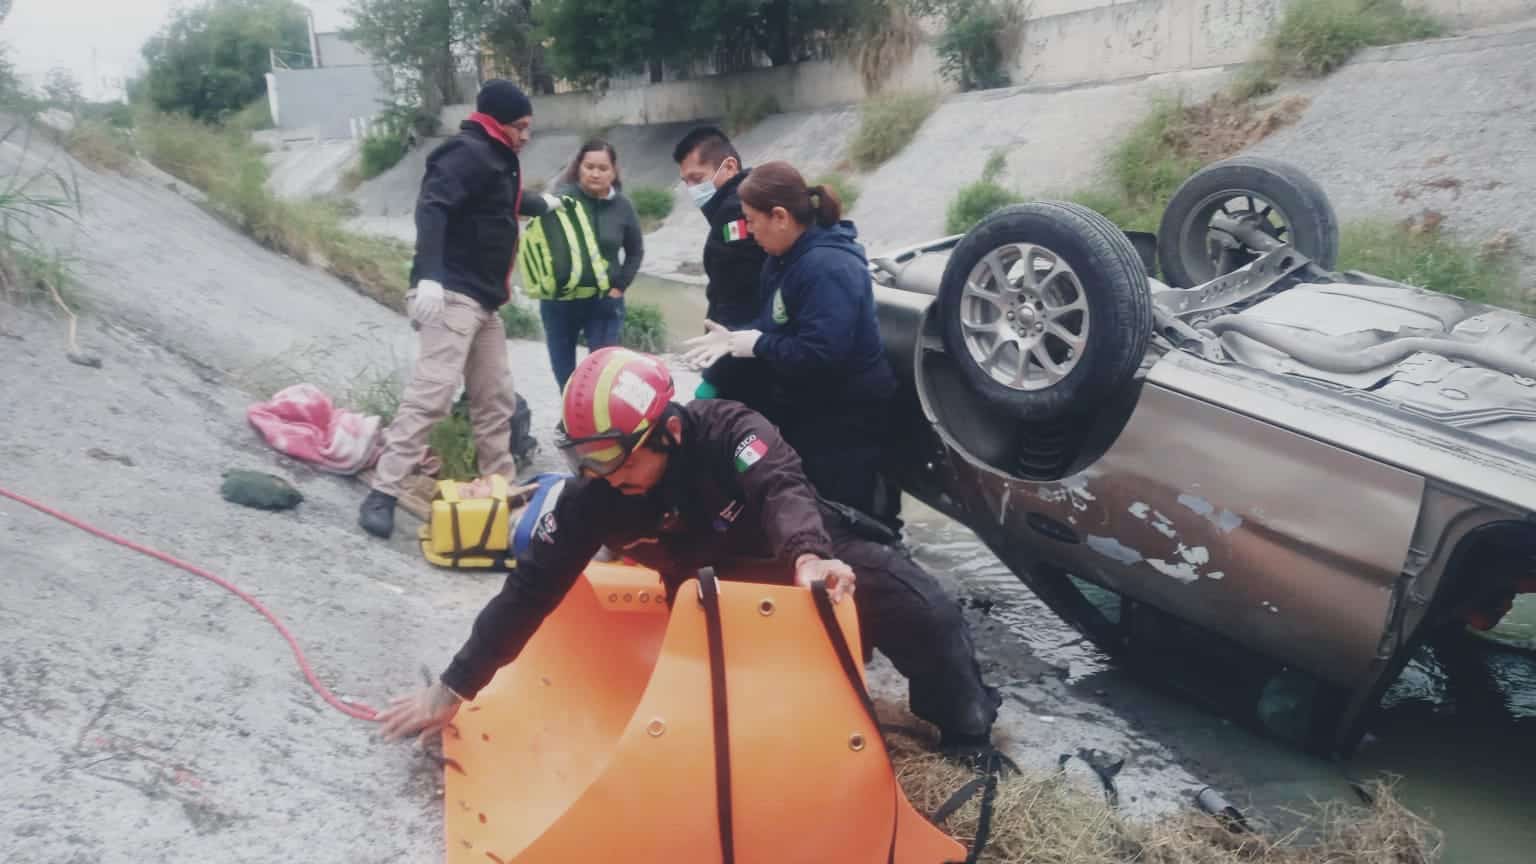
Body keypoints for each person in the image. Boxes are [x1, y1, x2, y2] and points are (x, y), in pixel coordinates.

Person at [378, 347, 1000, 756]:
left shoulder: (732, 430)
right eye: (582, 460)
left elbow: (783, 487)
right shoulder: (596, 493)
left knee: (926, 608)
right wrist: (454, 689)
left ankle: (965, 733)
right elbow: (529, 591)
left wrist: (809, 557)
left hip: (793, 550)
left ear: (668, 432)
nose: (598, 474)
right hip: (707, 590)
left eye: (609, 457)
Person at [358, 80, 563, 540]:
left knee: (495, 399)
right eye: (521, 127)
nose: (527, 136)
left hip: (485, 301)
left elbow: (495, 205)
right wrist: (429, 275)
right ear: (496, 122)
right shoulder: (464, 152)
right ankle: (383, 492)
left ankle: (501, 490)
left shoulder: (495, 158)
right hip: (450, 293)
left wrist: (539, 203)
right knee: (432, 392)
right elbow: (433, 209)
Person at [680, 161, 900, 526]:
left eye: (752, 220)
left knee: (852, 519)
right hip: (811, 409)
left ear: (780, 217)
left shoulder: (828, 267)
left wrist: (759, 344)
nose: (748, 230)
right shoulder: (782, 260)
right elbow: (777, 325)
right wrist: (734, 342)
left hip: (848, 419)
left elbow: (824, 353)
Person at [521, 139, 645, 394]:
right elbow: (538, 243)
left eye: (603, 168)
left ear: (613, 171)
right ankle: (570, 419)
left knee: (603, 367)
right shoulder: (560, 201)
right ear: (579, 167)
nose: (596, 173)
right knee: (563, 366)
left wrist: (619, 287)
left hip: (603, 301)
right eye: (589, 167)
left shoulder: (623, 206)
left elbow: (635, 251)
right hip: (559, 302)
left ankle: (596, 422)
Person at [671, 126, 771, 403]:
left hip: (744, 358)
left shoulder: (734, 213)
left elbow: (734, 303)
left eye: (697, 178)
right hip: (758, 347)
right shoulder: (751, 196)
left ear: (729, 166)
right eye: (686, 182)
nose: (692, 189)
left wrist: (715, 377)